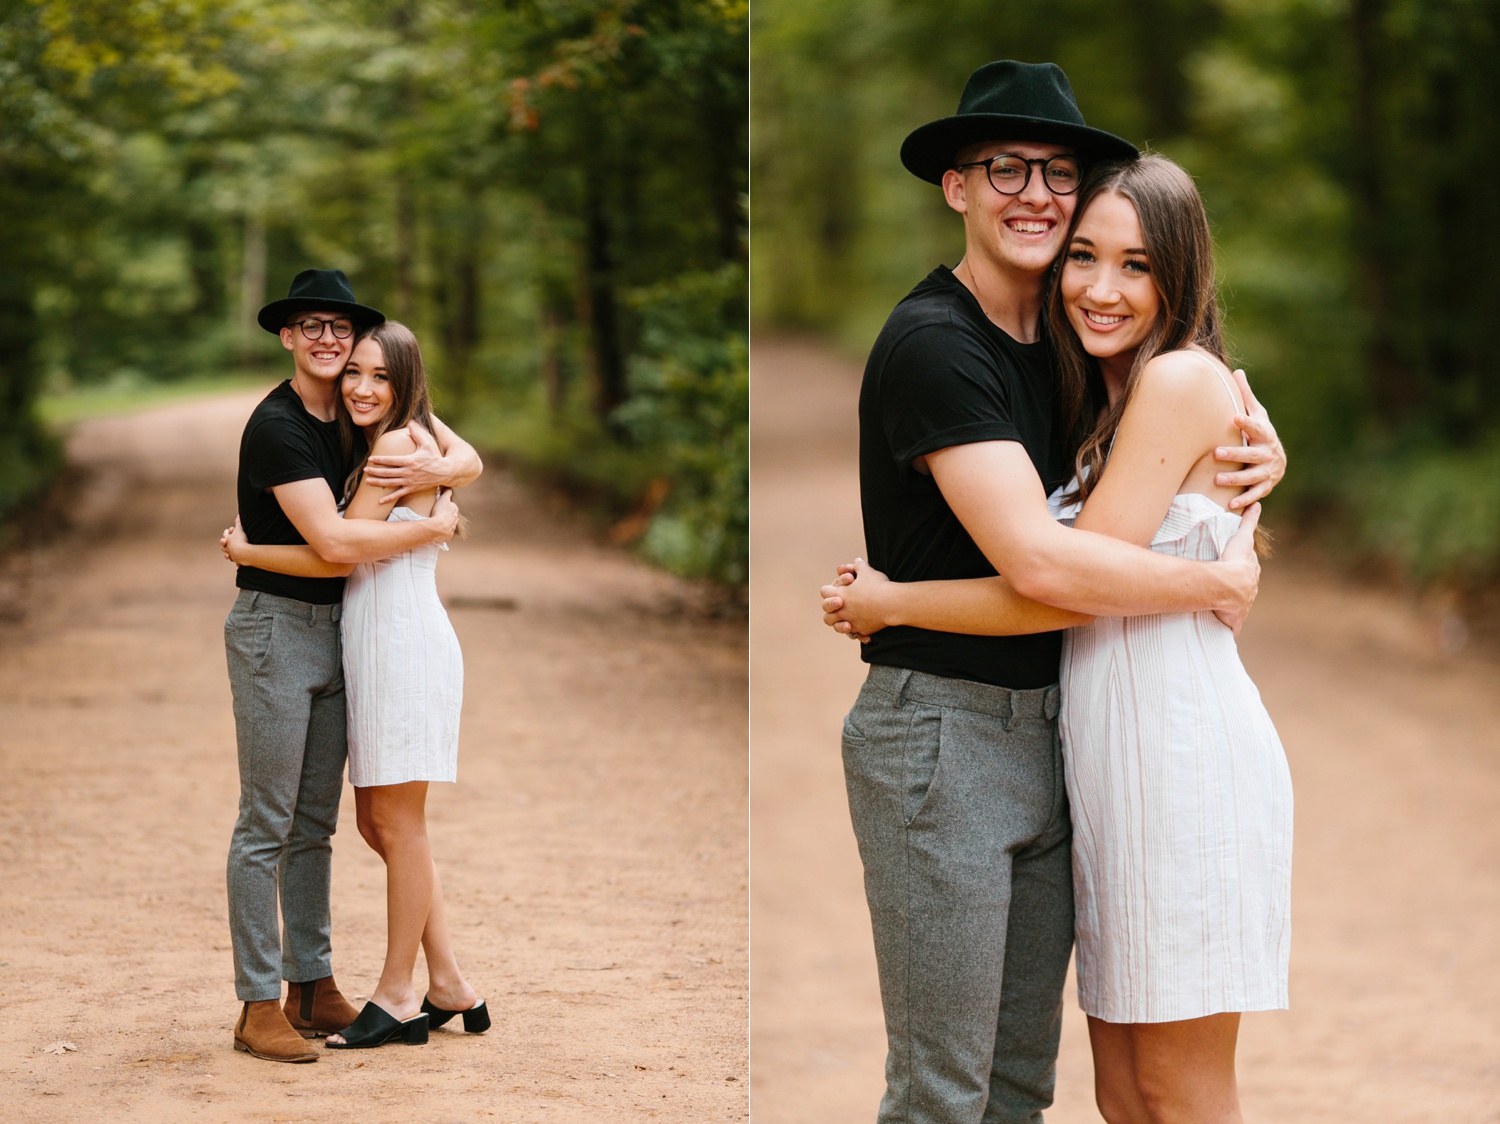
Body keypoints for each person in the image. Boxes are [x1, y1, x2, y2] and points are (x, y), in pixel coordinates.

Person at [813, 62, 1286, 1124]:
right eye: (1005, 168)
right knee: (953, 1090)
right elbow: (1050, 569)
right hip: (952, 732)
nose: (1035, 192)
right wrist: (1212, 574)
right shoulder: (942, 344)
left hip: (1082, 739)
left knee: (1030, 1088)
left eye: (1059, 174)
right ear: (956, 186)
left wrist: (1254, 469)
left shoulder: (1074, 353)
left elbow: (1189, 428)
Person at [223, 269, 481, 1063]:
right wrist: (434, 526)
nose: (333, 345)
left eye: (345, 330)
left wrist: (449, 480)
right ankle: (259, 1004)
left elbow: (458, 449)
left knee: (321, 825)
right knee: (268, 824)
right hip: (277, 630)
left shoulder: (361, 421)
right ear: (287, 336)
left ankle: (316, 983)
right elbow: (335, 548)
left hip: (347, 634)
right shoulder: (281, 426)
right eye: (314, 327)